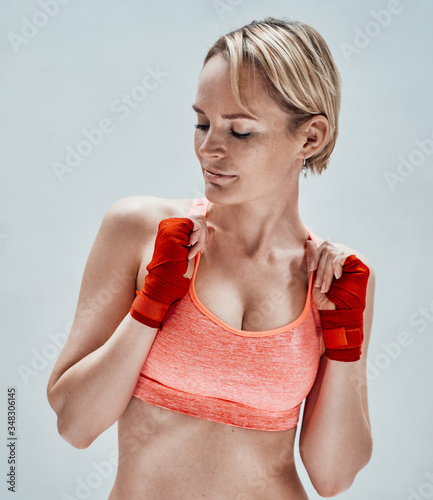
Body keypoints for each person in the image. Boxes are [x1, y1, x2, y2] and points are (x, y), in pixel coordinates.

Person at [47, 16, 375, 499]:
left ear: (310, 138)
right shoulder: (141, 231)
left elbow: (334, 477)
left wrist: (343, 345)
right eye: (202, 122)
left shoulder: (334, 278)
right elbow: (75, 424)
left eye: (240, 132)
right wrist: (150, 307)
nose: (208, 148)